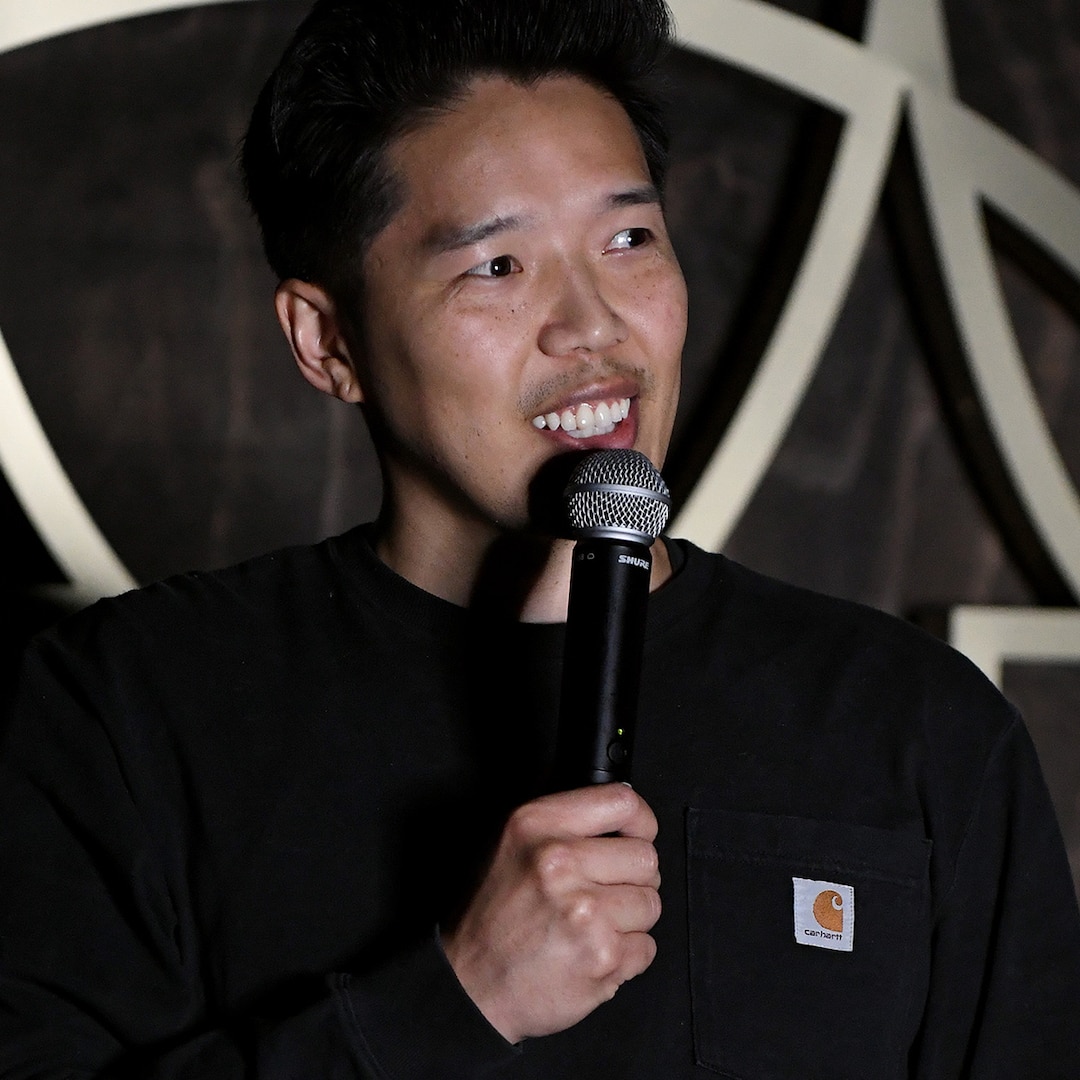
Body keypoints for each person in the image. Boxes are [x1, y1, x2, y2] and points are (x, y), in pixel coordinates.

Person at [1, 0, 1078, 1075]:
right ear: (327, 341)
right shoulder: (130, 709)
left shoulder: (912, 727)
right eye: (498, 266)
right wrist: (457, 997)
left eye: (629, 239)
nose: (594, 325)